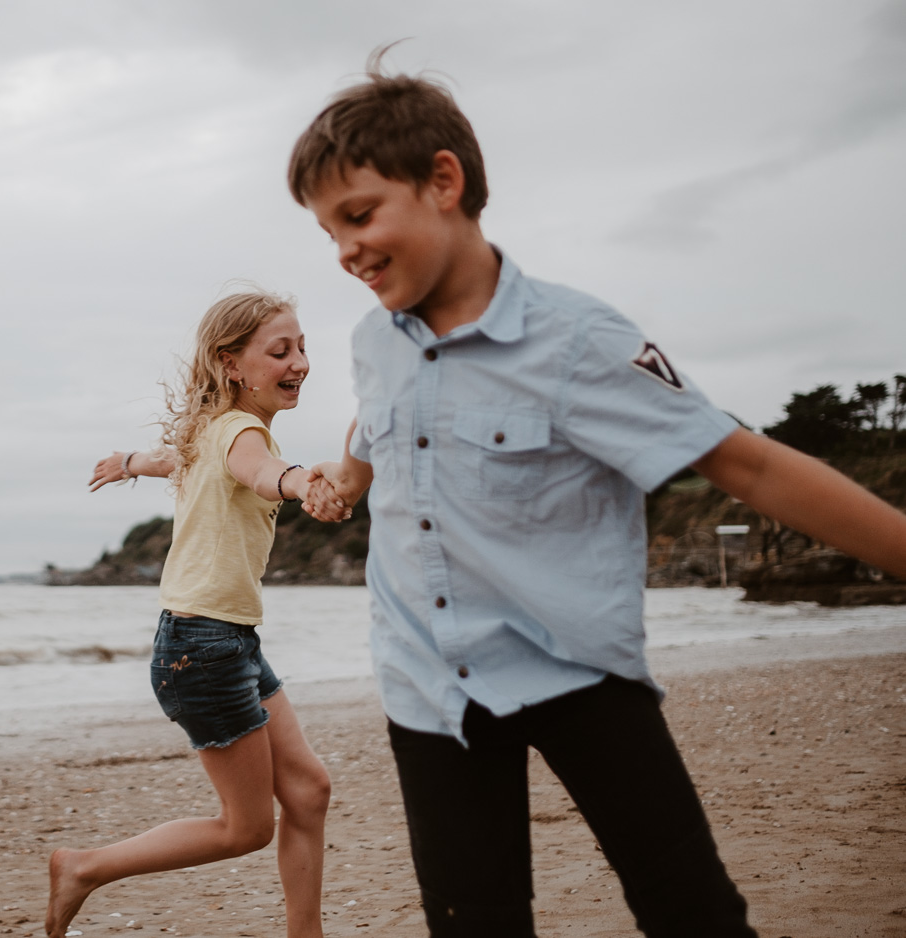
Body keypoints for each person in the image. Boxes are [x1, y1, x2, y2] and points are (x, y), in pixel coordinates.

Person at [288, 50, 906, 938]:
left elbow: (747, 465)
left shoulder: (578, 341)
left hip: (576, 669)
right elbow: (377, 422)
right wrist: (348, 474)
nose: (345, 252)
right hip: (428, 687)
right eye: (327, 233)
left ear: (444, 182)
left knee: (690, 912)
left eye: (358, 216)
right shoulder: (371, 340)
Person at [45, 290, 335, 938]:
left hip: (223, 641)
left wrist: (128, 464)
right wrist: (300, 482)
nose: (301, 362)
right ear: (232, 364)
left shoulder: (210, 427)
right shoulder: (245, 434)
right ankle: (83, 868)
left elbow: (172, 458)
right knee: (247, 828)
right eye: (281, 351)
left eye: (303, 347)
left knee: (309, 790)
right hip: (203, 652)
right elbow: (263, 473)